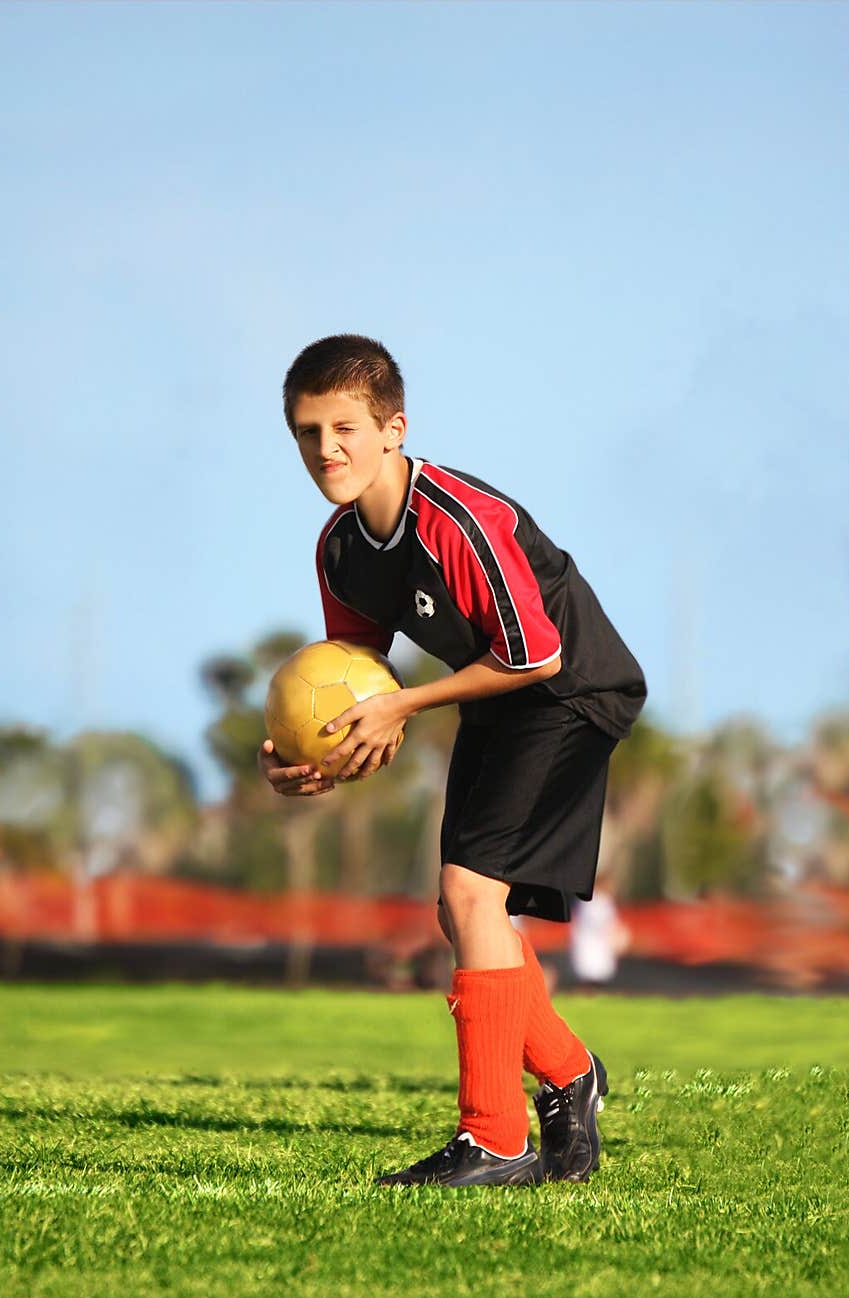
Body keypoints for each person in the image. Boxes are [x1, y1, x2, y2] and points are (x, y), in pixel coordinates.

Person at [259, 334, 647, 1187]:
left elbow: (539, 655)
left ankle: (495, 1138)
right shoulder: (339, 550)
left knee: (475, 894)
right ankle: (573, 1074)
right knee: (459, 909)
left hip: (571, 689)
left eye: (346, 427)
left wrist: (401, 704)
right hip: (497, 692)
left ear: (393, 428)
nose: (327, 450)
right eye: (306, 432)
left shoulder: (459, 521)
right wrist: (309, 759)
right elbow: (358, 683)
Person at [568, 868, 631, 990]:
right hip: (591, 945)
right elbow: (599, 923)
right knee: (590, 976)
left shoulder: (605, 902)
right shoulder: (592, 901)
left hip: (601, 946)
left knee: (598, 977)